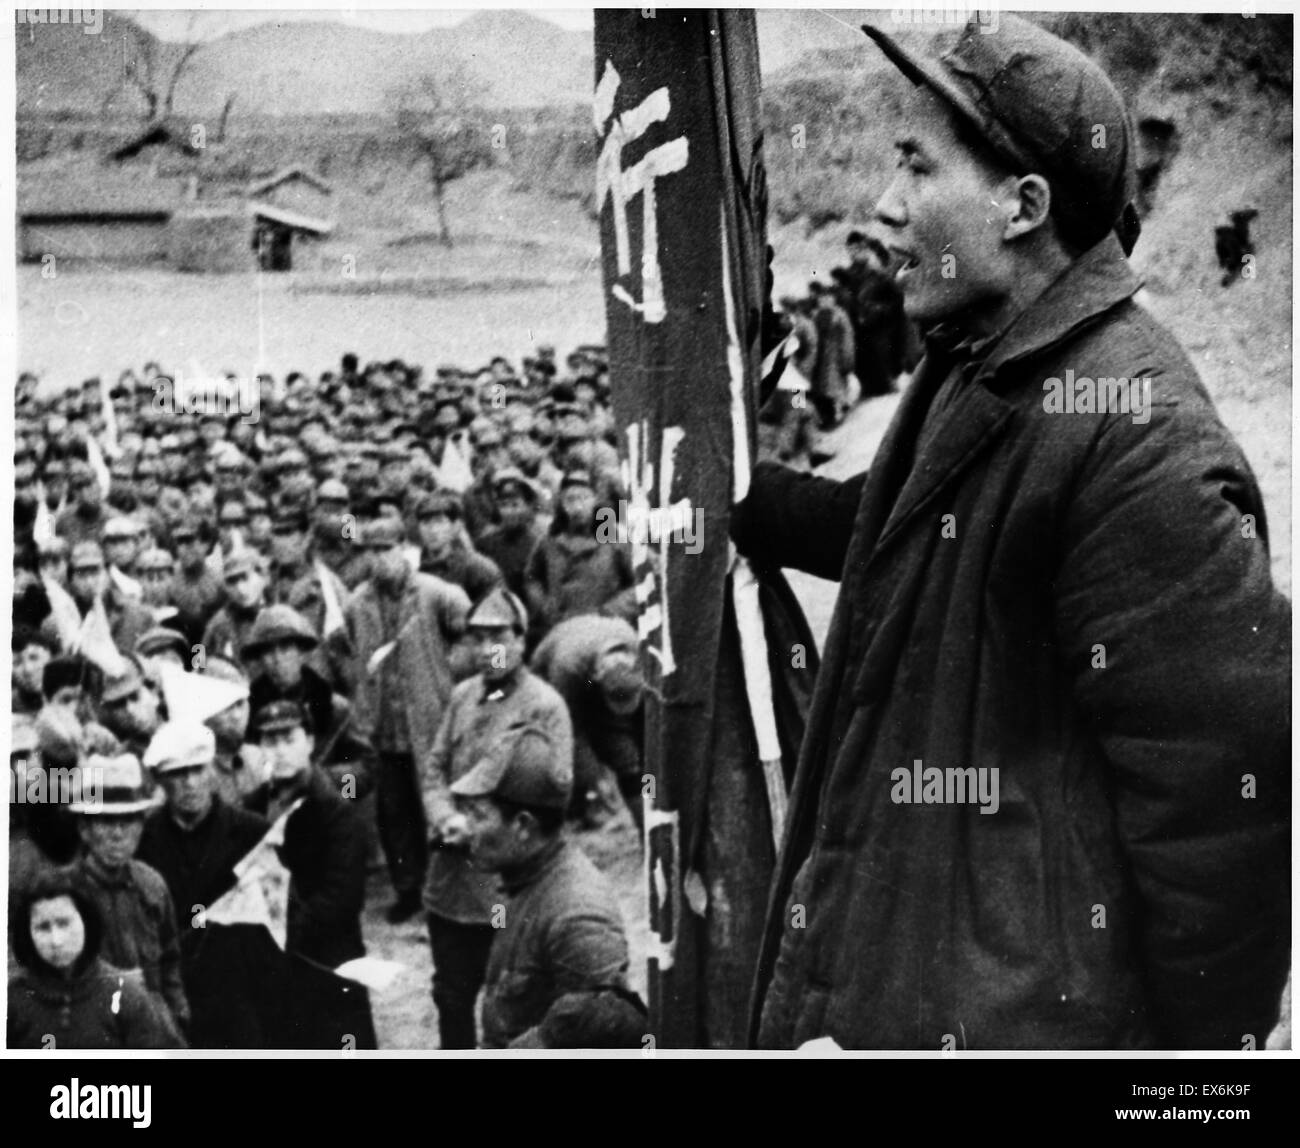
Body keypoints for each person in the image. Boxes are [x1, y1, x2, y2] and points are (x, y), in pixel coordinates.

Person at [732, 15, 1290, 1051]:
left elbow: (1219, 795)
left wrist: (1195, 1073)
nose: (885, 206)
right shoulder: (985, 354)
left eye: (915, 166)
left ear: (1022, 204)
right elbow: (914, 533)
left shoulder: (1134, 431)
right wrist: (748, 497)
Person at [420, 587, 574, 1048]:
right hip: (451, 882)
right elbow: (434, 769)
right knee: (450, 996)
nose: (488, 650)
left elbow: (556, 795)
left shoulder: (545, 706)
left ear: (522, 641)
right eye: (479, 639)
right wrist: (445, 816)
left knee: (512, 1006)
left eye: (499, 637)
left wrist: (490, 827)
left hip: (508, 887)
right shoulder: (463, 696)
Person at [450, 726, 637, 1049]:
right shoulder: (525, 877)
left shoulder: (577, 918)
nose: (466, 829)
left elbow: (603, 1038)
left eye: (478, 815)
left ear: (523, 825)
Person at [346, 517, 472, 924]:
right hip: (383, 730)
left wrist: (446, 675)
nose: (379, 559)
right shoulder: (357, 604)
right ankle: (408, 889)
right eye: (371, 551)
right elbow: (343, 648)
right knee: (394, 813)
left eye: (386, 549)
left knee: (436, 806)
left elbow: (471, 633)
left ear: (404, 547)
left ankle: (450, 889)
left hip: (430, 723)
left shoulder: (436, 594)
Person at [138, 721, 283, 1048]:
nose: (190, 783)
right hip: (177, 996)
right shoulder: (145, 840)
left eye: (197, 770)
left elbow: (277, 920)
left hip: (243, 995)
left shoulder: (252, 833)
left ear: (213, 772)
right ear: (161, 781)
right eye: (178, 773)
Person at [253, 701, 377, 1049]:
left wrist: (284, 931)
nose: (280, 751)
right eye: (270, 741)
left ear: (309, 742)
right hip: (275, 971)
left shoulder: (337, 811)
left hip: (329, 964)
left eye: (289, 739)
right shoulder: (252, 808)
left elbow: (342, 896)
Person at [67, 752, 190, 1034]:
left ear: (141, 826)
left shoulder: (152, 885)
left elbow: (170, 958)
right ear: (85, 830)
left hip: (152, 1025)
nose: (118, 834)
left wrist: (177, 1014)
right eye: (106, 822)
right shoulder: (65, 892)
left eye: (128, 821)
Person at [8, 872, 185, 1049]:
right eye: (43, 927)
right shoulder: (11, 1001)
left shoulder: (126, 997)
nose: (56, 940)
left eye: (64, 923)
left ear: (86, 921)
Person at [244, 604, 374, 798]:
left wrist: (333, 790)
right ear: (260, 659)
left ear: (302, 653)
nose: (277, 659)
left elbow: (366, 767)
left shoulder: (335, 707)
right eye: (268, 652)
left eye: (286, 648)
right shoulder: (247, 709)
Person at [530, 613, 646, 831]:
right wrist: (595, 778)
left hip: (594, 669)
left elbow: (641, 724)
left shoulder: (636, 646)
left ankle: (647, 820)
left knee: (630, 762)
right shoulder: (566, 666)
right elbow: (571, 731)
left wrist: (647, 767)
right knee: (562, 752)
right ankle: (578, 808)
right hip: (553, 675)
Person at [523, 468, 637, 642]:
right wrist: (543, 606)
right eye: (570, 500)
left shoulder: (615, 538)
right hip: (559, 631)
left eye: (583, 498)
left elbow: (642, 583)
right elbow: (531, 576)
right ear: (561, 503)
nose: (577, 507)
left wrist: (610, 611)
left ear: (595, 500)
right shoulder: (549, 540)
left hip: (605, 632)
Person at [414, 489, 503, 606]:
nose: (432, 530)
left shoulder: (477, 568)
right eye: (426, 523)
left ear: (456, 526)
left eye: (439, 522)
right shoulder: (414, 566)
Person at [477, 469, 545, 602]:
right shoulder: (485, 543)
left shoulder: (539, 544)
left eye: (515, 505)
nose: (509, 512)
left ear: (527, 507)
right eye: (503, 505)